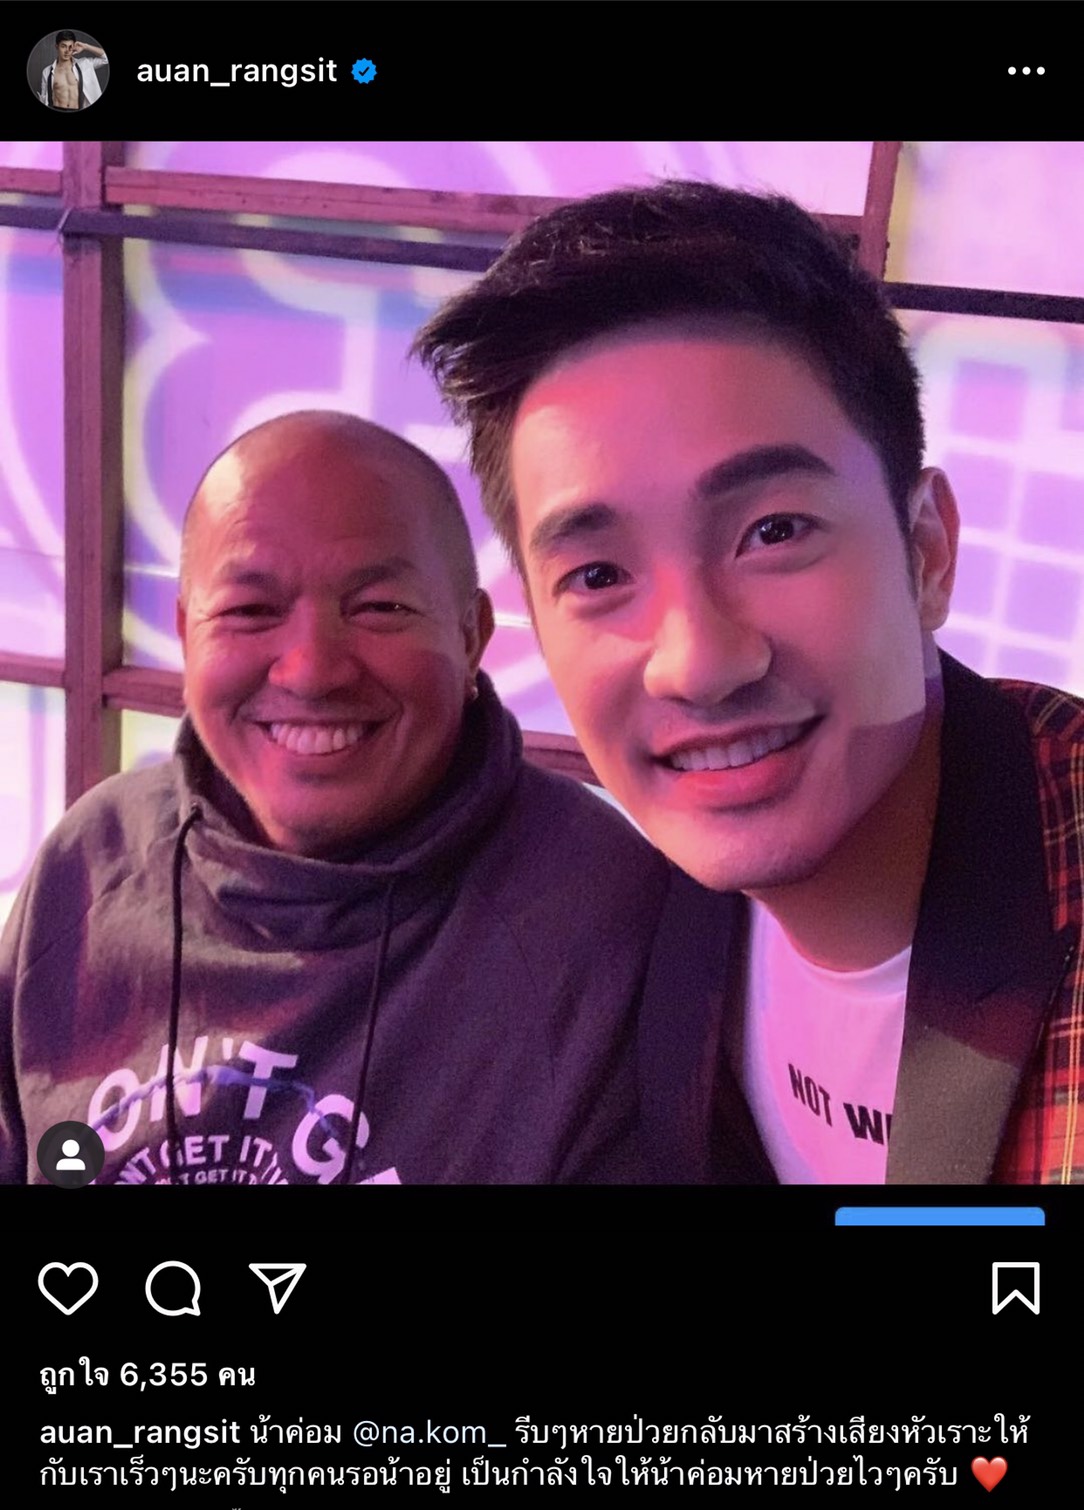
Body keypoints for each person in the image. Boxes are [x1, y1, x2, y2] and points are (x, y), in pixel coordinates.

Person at [415, 180, 1084, 1185]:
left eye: (772, 531)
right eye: (597, 577)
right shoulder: (635, 911)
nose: (697, 663)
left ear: (925, 552)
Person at [0, 410, 681, 1185]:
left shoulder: (597, 918)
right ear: (188, 636)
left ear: (471, 637)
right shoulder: (96, 862)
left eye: (380, 607)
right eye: (250, 611)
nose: (313, 670)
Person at [40, 32, 108, 110]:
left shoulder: (84, 64)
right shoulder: (47, 71)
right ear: (57, 47)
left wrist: (85, 46)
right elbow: (43, 98)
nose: (67, 51)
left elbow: (105, 58)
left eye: (70, 46)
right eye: (63, 46)